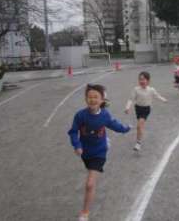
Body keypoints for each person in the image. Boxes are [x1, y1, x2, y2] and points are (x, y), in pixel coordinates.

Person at [68, 84, 131, 221]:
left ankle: (85, 213)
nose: (92, 99)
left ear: (102, 100)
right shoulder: (80, 115)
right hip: (85, 151)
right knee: (89, 173)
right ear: (86, 99)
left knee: (90, 184)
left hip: (99, 152)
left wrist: (126, 128)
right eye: (89, 97)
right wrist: (77, 145)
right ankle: (104, 138)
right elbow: (73, 132)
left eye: (96, 97)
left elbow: (115, 125)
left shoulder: (105, 115)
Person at [125, 72, 167, 151]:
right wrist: (127, 107)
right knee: (140, 126)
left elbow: (157, 96)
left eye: (143, 79)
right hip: (138, 108)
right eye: (140, 79)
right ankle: (139, 136)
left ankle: (138, 143)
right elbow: (131, 99)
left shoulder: (151, 90)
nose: (141, 81)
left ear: (148, 81)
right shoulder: (136, 89)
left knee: (139, 125)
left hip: (146, 109)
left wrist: (163, 99)